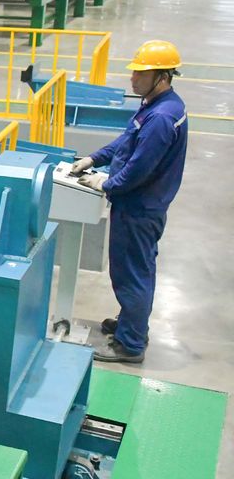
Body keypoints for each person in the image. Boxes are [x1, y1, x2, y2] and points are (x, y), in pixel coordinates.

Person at [71, 40, 188, 364]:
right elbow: (127, 143)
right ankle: (130, 326)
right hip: (140, 205)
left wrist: (107, 182)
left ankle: (130, 345)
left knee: (132, 275)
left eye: (141, 73)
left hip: (138, 208)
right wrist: (96, 157)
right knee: (138, 271)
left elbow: (139, 168)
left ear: (163, 76)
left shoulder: (162, 117)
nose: (133, 79)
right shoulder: (157, 104)